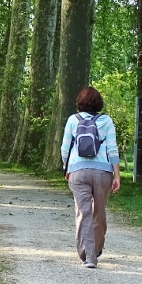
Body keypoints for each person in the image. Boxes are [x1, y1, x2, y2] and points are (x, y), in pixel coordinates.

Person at [60, 86, 120, 268]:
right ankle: (96, 249)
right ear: (98, 102)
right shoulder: (106, 121)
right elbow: (112, 149)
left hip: (78, 172)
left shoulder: (72, 120)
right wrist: (117, 175)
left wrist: (66, 168)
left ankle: (88, 255)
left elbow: (65, 148)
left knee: (83, 212)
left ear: (80, 102)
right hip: (103, 173)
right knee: (99, 212)